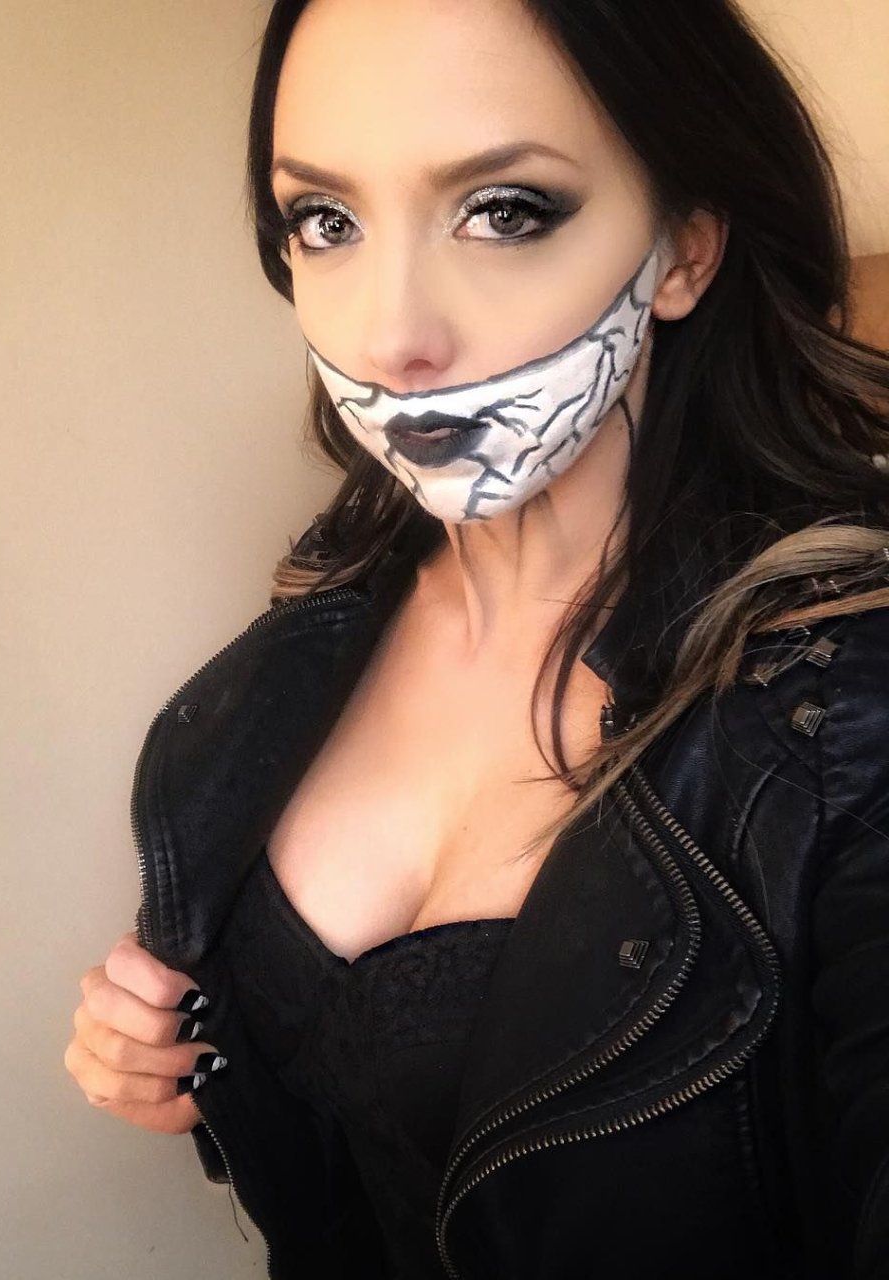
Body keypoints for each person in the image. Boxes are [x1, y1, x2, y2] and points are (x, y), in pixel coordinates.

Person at [64, 0, 889, 1276]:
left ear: (684, 248)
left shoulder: (848, 710)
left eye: (504, 210)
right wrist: (173, 1048)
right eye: (324, 220)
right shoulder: (309, 632)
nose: (391, 335)